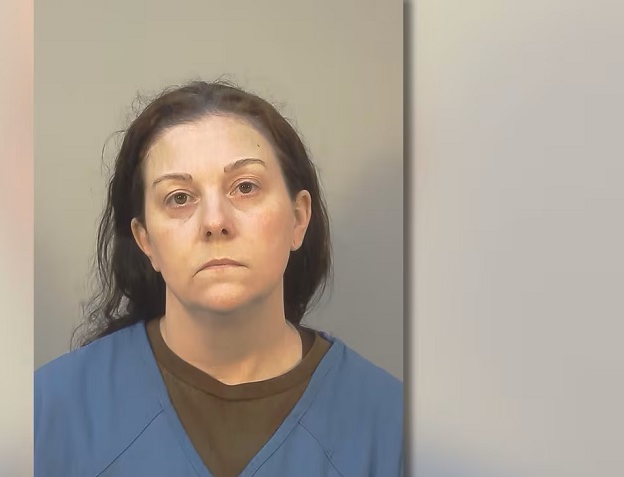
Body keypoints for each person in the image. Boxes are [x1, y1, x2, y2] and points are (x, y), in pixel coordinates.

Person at [34, 80, 403, 477]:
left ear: (299, 219)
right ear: (146, 241)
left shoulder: (394, 429)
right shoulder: (48, 413)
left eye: (245, 187)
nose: (214, 222)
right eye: (179, 197)